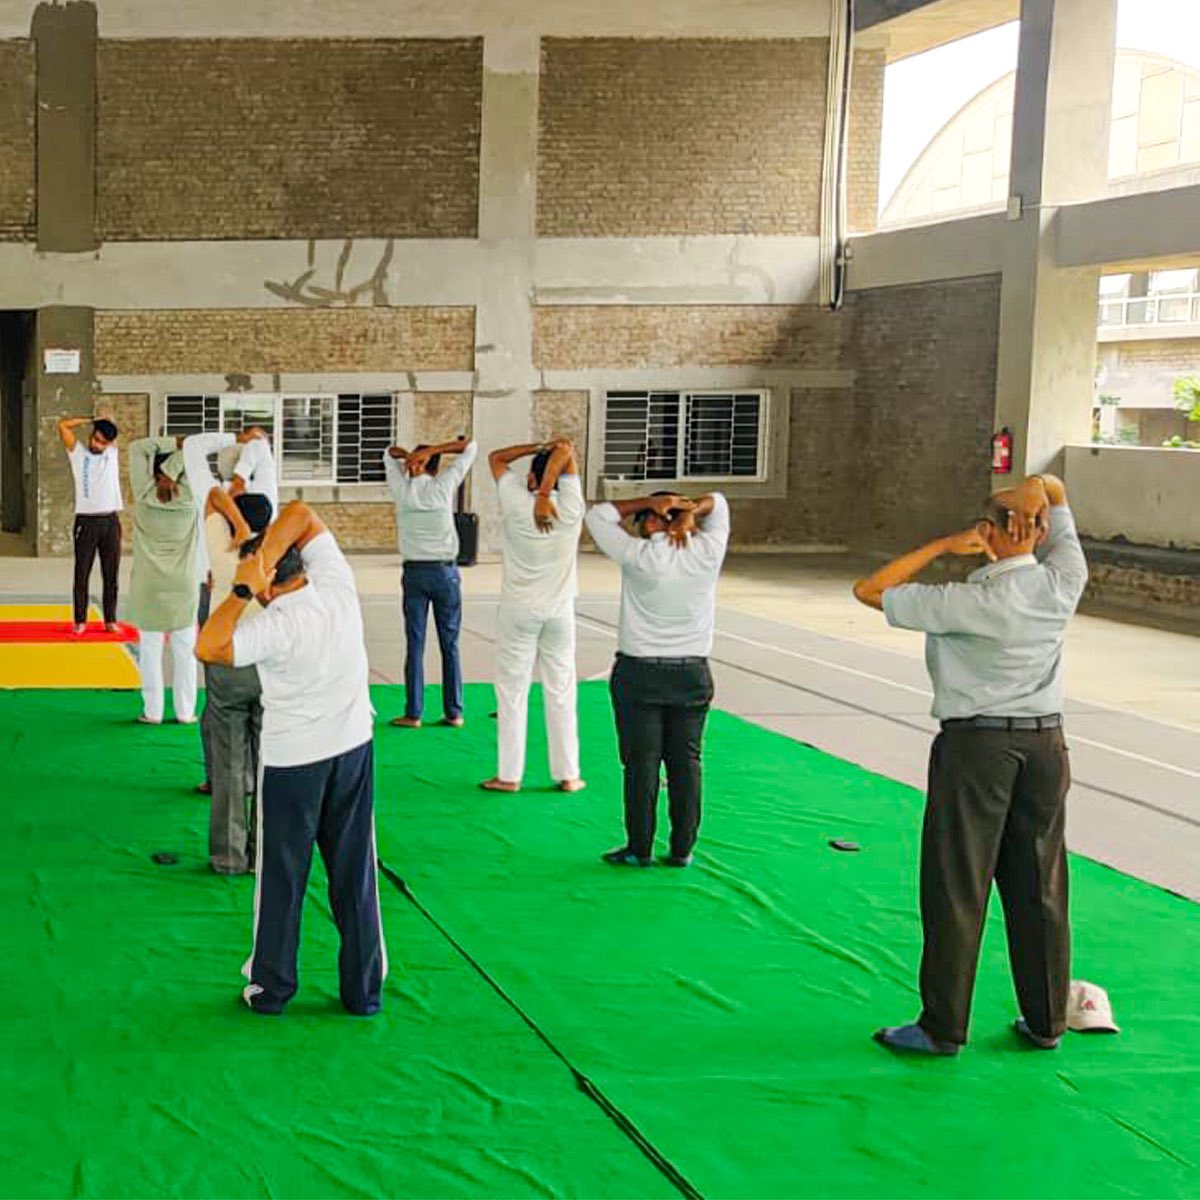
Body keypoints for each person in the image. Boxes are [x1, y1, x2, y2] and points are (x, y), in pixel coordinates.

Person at [852, 473, 1088, 1056]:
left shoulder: (967, 600)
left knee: (959, 882)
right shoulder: (1063, 580)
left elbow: (869, 589)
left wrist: (939, 546)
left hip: (977, 748)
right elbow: (1055, 493)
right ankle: (1045, 1020)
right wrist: (1040, 492)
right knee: (1040, 885)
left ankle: (942, 1026)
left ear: (985, 533)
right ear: (1037, 529)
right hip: (1045, 747)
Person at [195, 501, 386, 1016]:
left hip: (294, 764)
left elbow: (208, 647)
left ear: (265, 579)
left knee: (282, 877)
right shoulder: (335, 585)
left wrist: (240, 589)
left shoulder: (275, 626)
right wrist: (266, 556)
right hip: (352, 750)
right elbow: (301, 513)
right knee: (354, 873)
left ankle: (271, 988)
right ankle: (363, 991)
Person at [584, 491, 731, 868]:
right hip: (692, 674)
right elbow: (719, 501)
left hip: (640, 673)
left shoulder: (640, 556)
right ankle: (682, 849)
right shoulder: (707, 552)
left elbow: (599, 517)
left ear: (652, 522)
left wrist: (649, 500)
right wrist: (686, 510)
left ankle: (640, 848)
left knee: (641, 765)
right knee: (686, 764)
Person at [184, 431, 274, 873]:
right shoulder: (275, 551)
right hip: (270, 666)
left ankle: (228, 856)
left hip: (226, 663)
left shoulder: (222, 542)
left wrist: (233, 513)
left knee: (227, 765)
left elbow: (215, 494)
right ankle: (264, 853)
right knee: (269, 766)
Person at [480, 438, 586, 795]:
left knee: (512, 692)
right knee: (561, 690)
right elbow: (567, 450)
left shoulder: (515, 501)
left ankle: (509, 776)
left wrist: (536, 450)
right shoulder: (571, 506)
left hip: (518, 611)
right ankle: (569, 774)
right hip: (560, 612)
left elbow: (495, 456)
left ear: (531, 479)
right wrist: (545, 491)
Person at [383, 435, 477, 729]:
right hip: (445, 573)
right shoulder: (443, 485)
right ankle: (454, 712)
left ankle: (414, 713)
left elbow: (388, 454)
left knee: (415, 643)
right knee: (450, 644)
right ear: (435, 468)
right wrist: (433, 450)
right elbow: (470, 447)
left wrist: (407, 454)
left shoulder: (403, 490)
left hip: (414, 574)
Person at [127, 436, 200, 725]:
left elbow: (136, 448)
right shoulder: (189, 499)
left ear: (151, 470)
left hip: (148, 586)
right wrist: (179, 457)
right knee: (185, 652)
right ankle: (184, 712)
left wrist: (170, 443)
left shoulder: (143, 495)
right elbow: (195, 455)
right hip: (183, 586)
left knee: (150, 651)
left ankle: (153, 712)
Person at [58, 415, 122, 634]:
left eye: (103, 442)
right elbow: (63, 425)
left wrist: (106, 422)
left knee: (111, 573)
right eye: (96, 439)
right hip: (86, 521)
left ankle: (111, 620)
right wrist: (90, 419)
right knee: (82, 573)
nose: (98, 445)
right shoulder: (78, 454)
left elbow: (112, 421)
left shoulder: (112, 454)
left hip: (110, 520)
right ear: (91, 436)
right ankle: (80, 620)